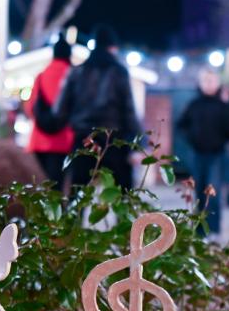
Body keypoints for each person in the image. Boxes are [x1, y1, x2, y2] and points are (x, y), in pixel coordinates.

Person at [52, 25, 144, 190]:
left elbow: (60, 111)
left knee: (78, 196)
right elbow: (129, 111)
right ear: (113, 47)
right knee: (122, 196)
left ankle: (76, 216)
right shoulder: (119, 72)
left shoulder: (77, 71)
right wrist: (137, 145)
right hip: (114, 142)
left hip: (83, 140)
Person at [176, 69, 229, 237]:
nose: (209, 84)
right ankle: (200, 231)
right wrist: (192, 139)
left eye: (212, 81)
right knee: (199, 193)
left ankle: (214, 230)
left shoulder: (225, 104)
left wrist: (227, 106)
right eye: (205, 81)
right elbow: (181, 125)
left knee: (214, 192)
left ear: (217, 83)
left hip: (217, 154)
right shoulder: (194, 104)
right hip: (198, 154)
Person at [26, 40, 75, 186]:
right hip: (66, 140)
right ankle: (61, 208)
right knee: (61, 185)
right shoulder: (73, 75)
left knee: (44, 183)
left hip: (40, 140)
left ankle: (46, 208)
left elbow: (30, 107)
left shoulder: (41, 76)